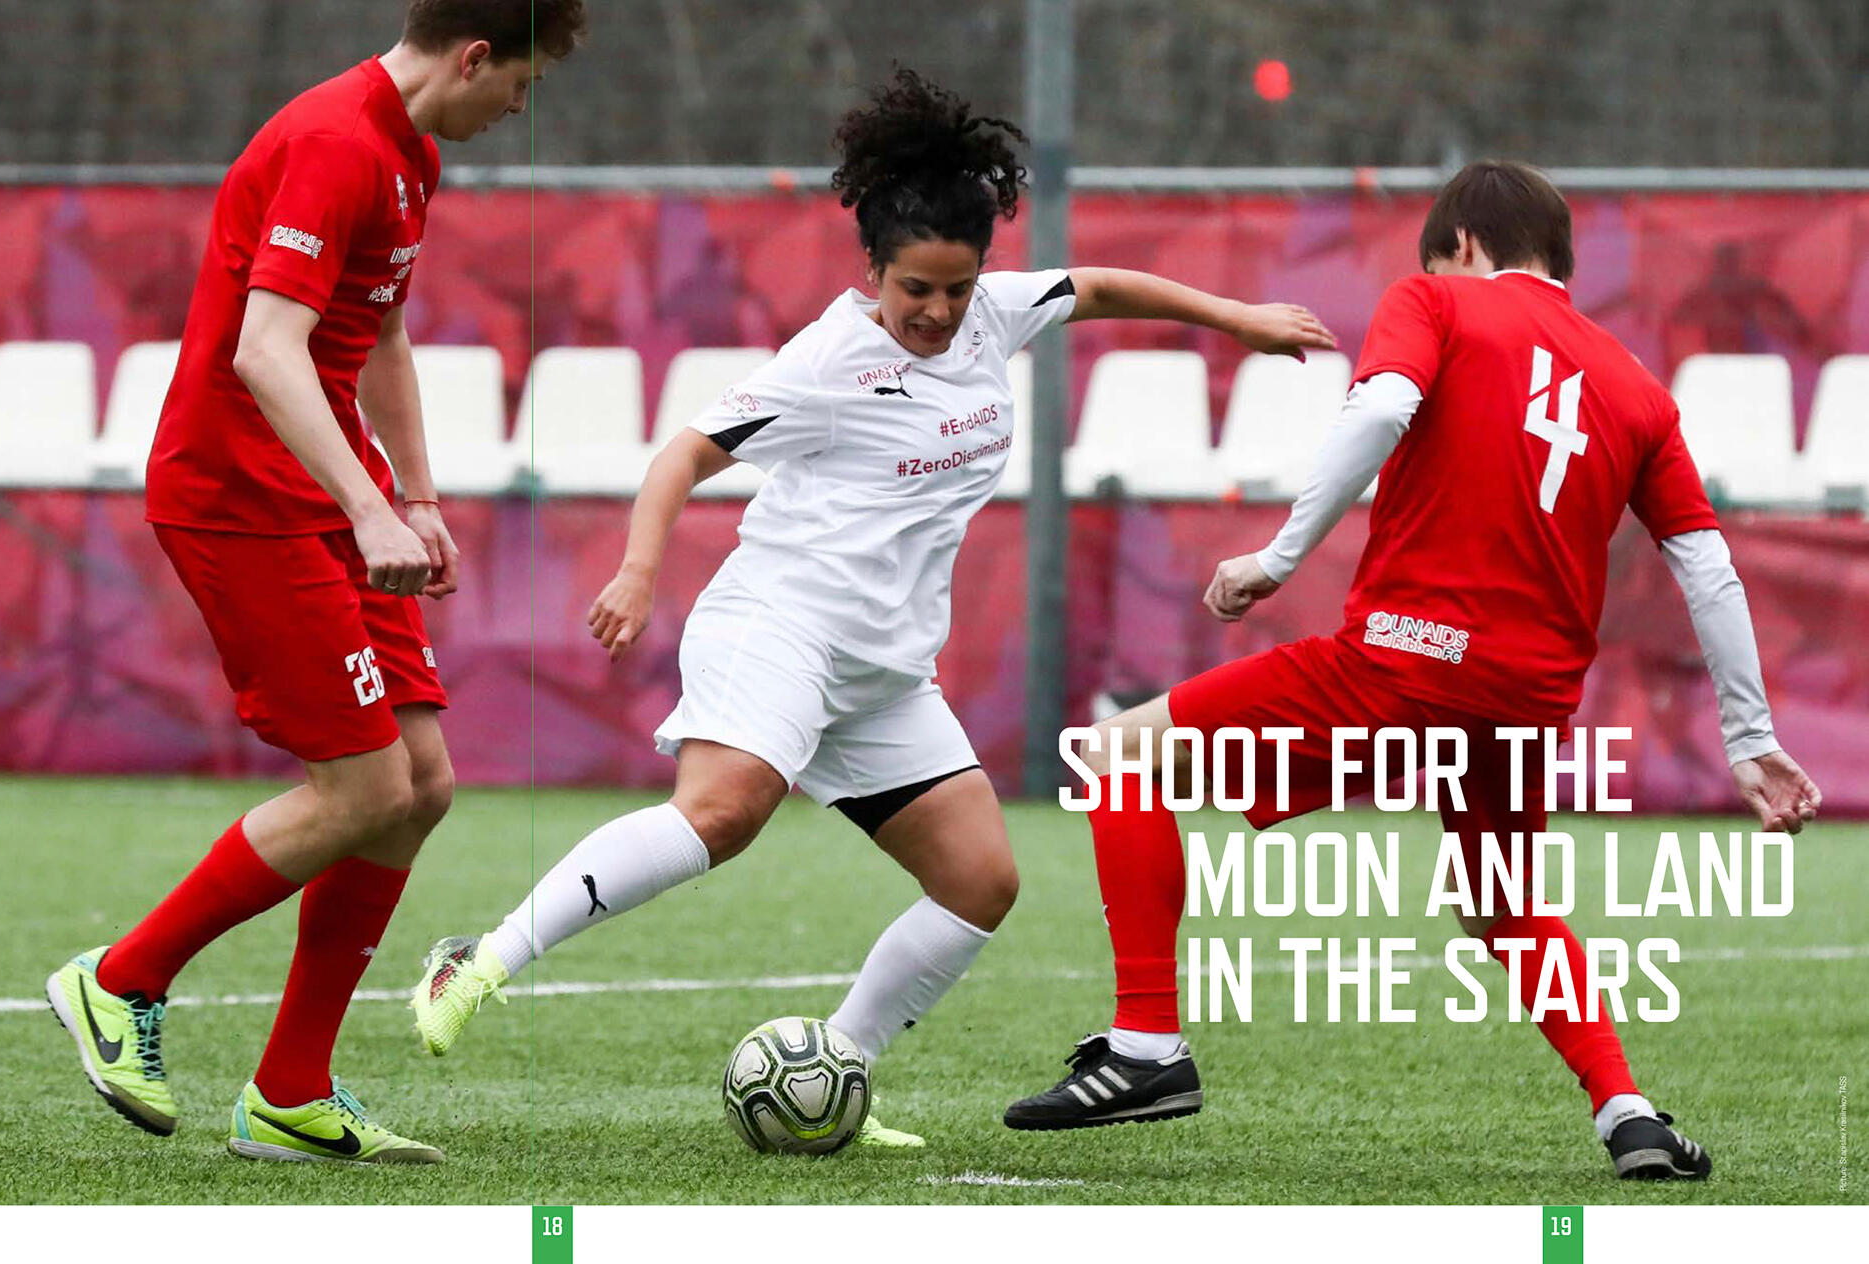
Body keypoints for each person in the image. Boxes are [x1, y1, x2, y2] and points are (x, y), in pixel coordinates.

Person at [408, 68, 1336, 1148]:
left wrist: (1237, 318)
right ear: (872, 273)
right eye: (914, 291)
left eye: (956, 288)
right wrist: (636, 571)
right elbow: (683, 455)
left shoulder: (992, 316)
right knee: (724, 813)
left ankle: (838, 1068)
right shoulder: (828, 360)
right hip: (779, 625)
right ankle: (480, 959)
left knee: (980, 881)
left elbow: (1094, 287)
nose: (937, 312)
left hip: (882, 670)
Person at [1004, 160, 1822, 1181]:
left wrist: (1276, 558)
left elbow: (1383, 407)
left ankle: (1145, 1046)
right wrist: (1750, 739)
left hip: (1405, 665)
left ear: (1462, 246)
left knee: (1115, 757)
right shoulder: (1637, 389)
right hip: (1525, 702)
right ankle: (1628, 1114)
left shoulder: (1434, 301)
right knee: (1502, 902)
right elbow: (1706, 565)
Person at [46, 0, 587, 1165]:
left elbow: (376, 334)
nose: (520, 107)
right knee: (360, 790)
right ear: (475, 56)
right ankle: (120, 979)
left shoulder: (410, 153)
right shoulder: (334, 143)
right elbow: (265, 349)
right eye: (523, 83)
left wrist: (415, 499)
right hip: (241, 500)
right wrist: (367, 506)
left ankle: (290, 1090)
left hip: (327, 498)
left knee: (421, 784)